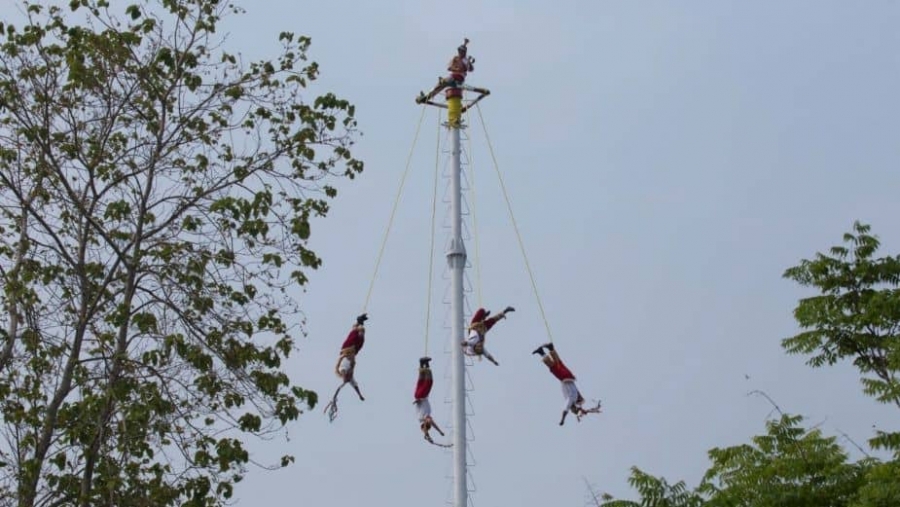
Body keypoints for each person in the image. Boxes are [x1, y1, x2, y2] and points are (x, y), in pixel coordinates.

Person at [532, 342, 602, 425]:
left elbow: (580, 405)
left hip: (568, 376)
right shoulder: (571, 400)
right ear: (573, 408)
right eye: (572, 411)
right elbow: (565, 411)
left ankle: (547, 350)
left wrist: (585, 410)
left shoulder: (575, 398)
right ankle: (544, 351)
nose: (571, 410)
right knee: (553, 367)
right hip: (564, 378)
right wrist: (562, 420)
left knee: (558, 365)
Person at [324, 314, 368, 421]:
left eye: (347, 377)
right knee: (361, 339)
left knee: (355, 333)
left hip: (347, 348)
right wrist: (360, 395)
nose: (348, 377)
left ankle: (359, 321)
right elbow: (355, 386)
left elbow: (342, 371)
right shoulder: (351, 378)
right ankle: (360, 321)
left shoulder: (342, 370)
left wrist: (344, 377)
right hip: (354, 351)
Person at [413, 357, 450, 447]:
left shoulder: (421, 418)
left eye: (430, 421)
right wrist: (440, 431)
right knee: (422, 381)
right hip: (421, 395)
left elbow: (425, 428)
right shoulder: (428, 416)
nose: (432, 420)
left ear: (425, 422)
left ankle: (425, 365)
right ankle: (422, 363)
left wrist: (427, 435)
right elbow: (434, 425)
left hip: (420, 396)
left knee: (429, 381)